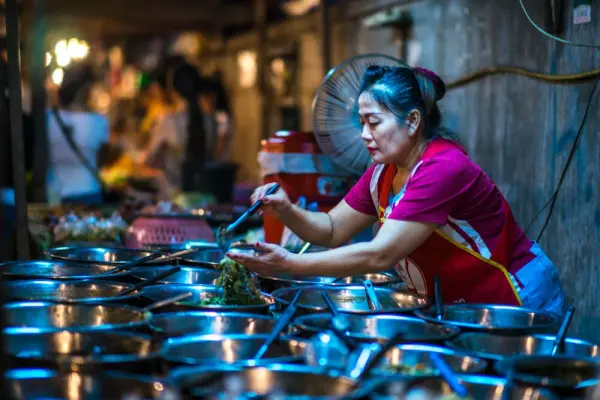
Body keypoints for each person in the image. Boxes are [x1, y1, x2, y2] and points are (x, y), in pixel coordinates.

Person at [229, 65, 567, 314]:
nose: (364, 134)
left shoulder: (442, 168)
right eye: (361, 123)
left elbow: (381, 254)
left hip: (518, 297)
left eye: (373, 122)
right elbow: (332, 229)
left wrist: (289, 264)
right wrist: (286, 208)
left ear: (414, 121)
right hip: (469, 305)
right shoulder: (383, 173)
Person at [137, 61, 217, 193]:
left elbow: (149, 160)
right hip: (206, 194)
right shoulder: (211, 120)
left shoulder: (168, 121)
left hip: (174, 197)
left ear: (172, 90)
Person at [46, 61, 109, 205]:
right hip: (89, 192)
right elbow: (102, 161)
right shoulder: (99, 122)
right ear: (87, 88)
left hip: (53, 194)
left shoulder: (48, 118)